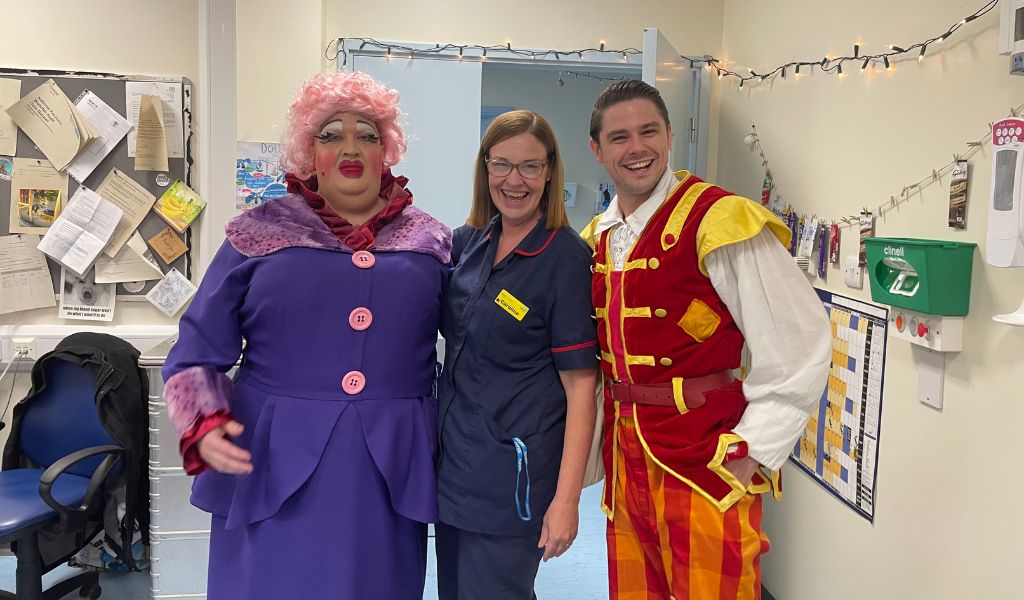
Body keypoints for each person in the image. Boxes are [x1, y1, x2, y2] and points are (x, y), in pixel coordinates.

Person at [161, 71, 450, 600]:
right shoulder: (258, 234)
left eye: (368, 134)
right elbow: (194, 354)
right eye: (331, 134)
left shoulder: (430, 241)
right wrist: (203, 424)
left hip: (385, 469)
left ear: (388, 150)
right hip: (271, 461)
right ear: (306, 151)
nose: (350, 147)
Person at [581, 79, 831, 599]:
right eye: (620, 137)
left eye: (649, 131)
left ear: (669, 136)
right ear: (597, 150)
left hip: (706, 453)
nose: (637, 148)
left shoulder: (719, 218)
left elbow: (799, 341)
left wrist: (753, 450)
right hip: (624, 460)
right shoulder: (596, 237)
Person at [436, 110, 599, 599]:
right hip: (452, 469)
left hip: (513, 480)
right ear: (485, 169)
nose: (514, 180)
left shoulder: (565, 258)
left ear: (550, 172)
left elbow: (581, 386)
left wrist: (566, 500)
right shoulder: (469, 244)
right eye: (501, 164)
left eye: (530, 166)